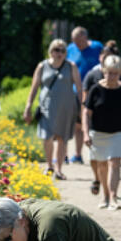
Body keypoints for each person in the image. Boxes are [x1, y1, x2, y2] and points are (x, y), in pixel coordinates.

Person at [80, 40, 121, 196]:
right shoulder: (93, 80)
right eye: (108, 72)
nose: (111, 76)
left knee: (114, 162)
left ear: (120, 73)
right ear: (103, 70)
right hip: (98, 129)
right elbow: (86, 109)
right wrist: (85, 132)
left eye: (115, 73)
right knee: (100, 164)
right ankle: (101, 186)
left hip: (119, 130)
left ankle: (113, 196)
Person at [23, 39, 82, 180]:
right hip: (46, 107)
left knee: (62, 138)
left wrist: (82, 107)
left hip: (66, 108)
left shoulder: (71, 66)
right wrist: (28, 106)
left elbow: (79, 88)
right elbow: (34, 88)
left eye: (62, 50)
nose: (59, 53)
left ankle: (59, 169)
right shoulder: (42, 66)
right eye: (57, 50)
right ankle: (49, 165)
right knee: (47, 136)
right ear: (51, 51)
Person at [66, 27, 102, 163]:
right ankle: (77, 154)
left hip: (95, 92)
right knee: (77, 125)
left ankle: (98, 155)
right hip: (75, 92)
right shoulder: (70, 48)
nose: (77, 45)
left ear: (85, 37)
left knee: (95, 123)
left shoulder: (97, 47)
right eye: (74, 41)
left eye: (79, 41)